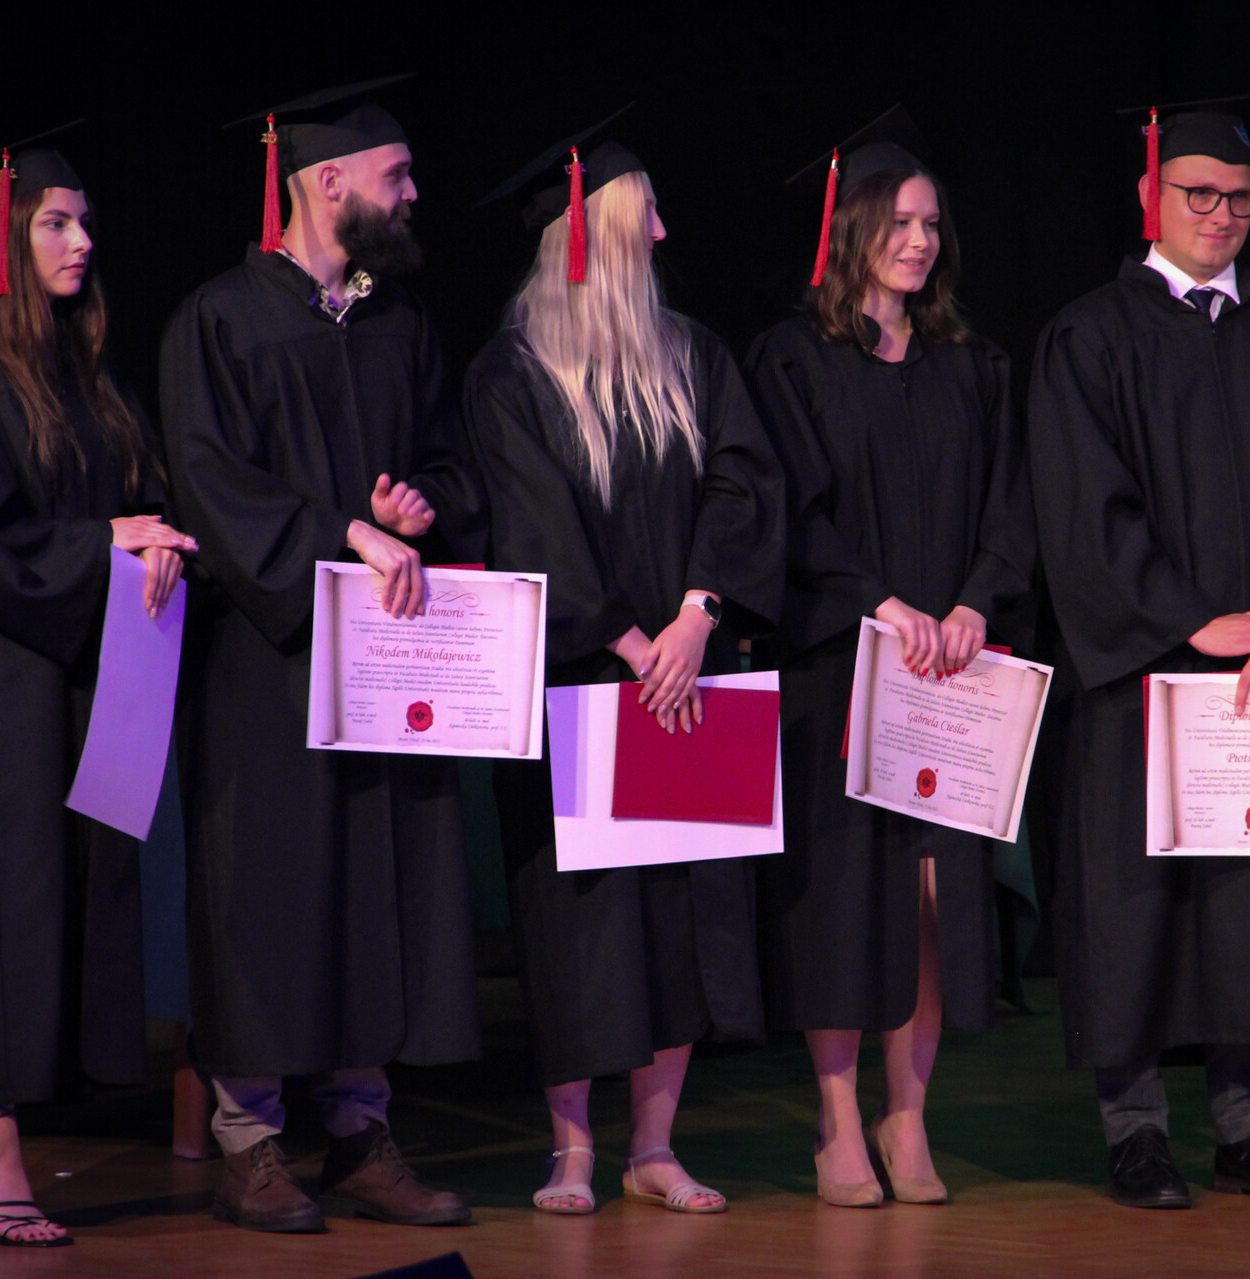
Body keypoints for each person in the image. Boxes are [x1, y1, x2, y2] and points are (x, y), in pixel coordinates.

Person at [1026, 104, 1250, 1209]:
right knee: (1134, 905)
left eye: (1238, 198)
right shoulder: (1088, 335)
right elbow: (1083, 508)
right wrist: (1195, 622)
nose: (1221, 215)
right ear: (1151, 196)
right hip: (1145, 674)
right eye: (1198, 194)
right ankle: (1136, 1133)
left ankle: (1248, 1127)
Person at [160, 78, 485, 1232]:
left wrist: (415, 507)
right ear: (327, 180)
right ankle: (248, 1140)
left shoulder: (402, 324)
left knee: (376, 886)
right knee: (268, 891)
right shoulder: (219, 321)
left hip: (388, 661)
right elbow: (210, 485)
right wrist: (341, 533)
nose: (413, 194)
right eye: (396, 175)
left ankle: (359, 1130)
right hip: (270, 661)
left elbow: (452, 466)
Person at [462, 122, 784, 1215]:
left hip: (688, 676)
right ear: (594, 229)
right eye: (645, 211)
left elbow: (744, 483)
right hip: (580, 684)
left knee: (683, 914)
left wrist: (696, 616)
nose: (663, 230)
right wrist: (631, 641)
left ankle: (653, 1145)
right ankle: (571, 1151)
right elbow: (528, 522)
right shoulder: (512, 372)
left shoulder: (692, 354)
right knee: (579, 920)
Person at [0, 140, 195, 1246]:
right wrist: (105, 541)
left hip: (82, 676)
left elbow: (137, 496)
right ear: (1, 241)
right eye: (55, 222)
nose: (82, 241)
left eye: (85, 221)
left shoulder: (85, 376)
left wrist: (157, 539)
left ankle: (5, 1130)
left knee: (73, 897)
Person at [745, 111, 1032, 1208]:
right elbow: (790, 512)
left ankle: (907, 1115)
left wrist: (973, 601)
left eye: (931, 223)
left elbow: (1013, 507)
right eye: (899, 221)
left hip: (951, 670)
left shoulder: (973, 364)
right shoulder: (793, 360)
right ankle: (835, 1118)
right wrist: (880, 602)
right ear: (851, 227)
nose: (918, 240)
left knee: (929, 900)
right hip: (845, 665)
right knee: (842, 898)